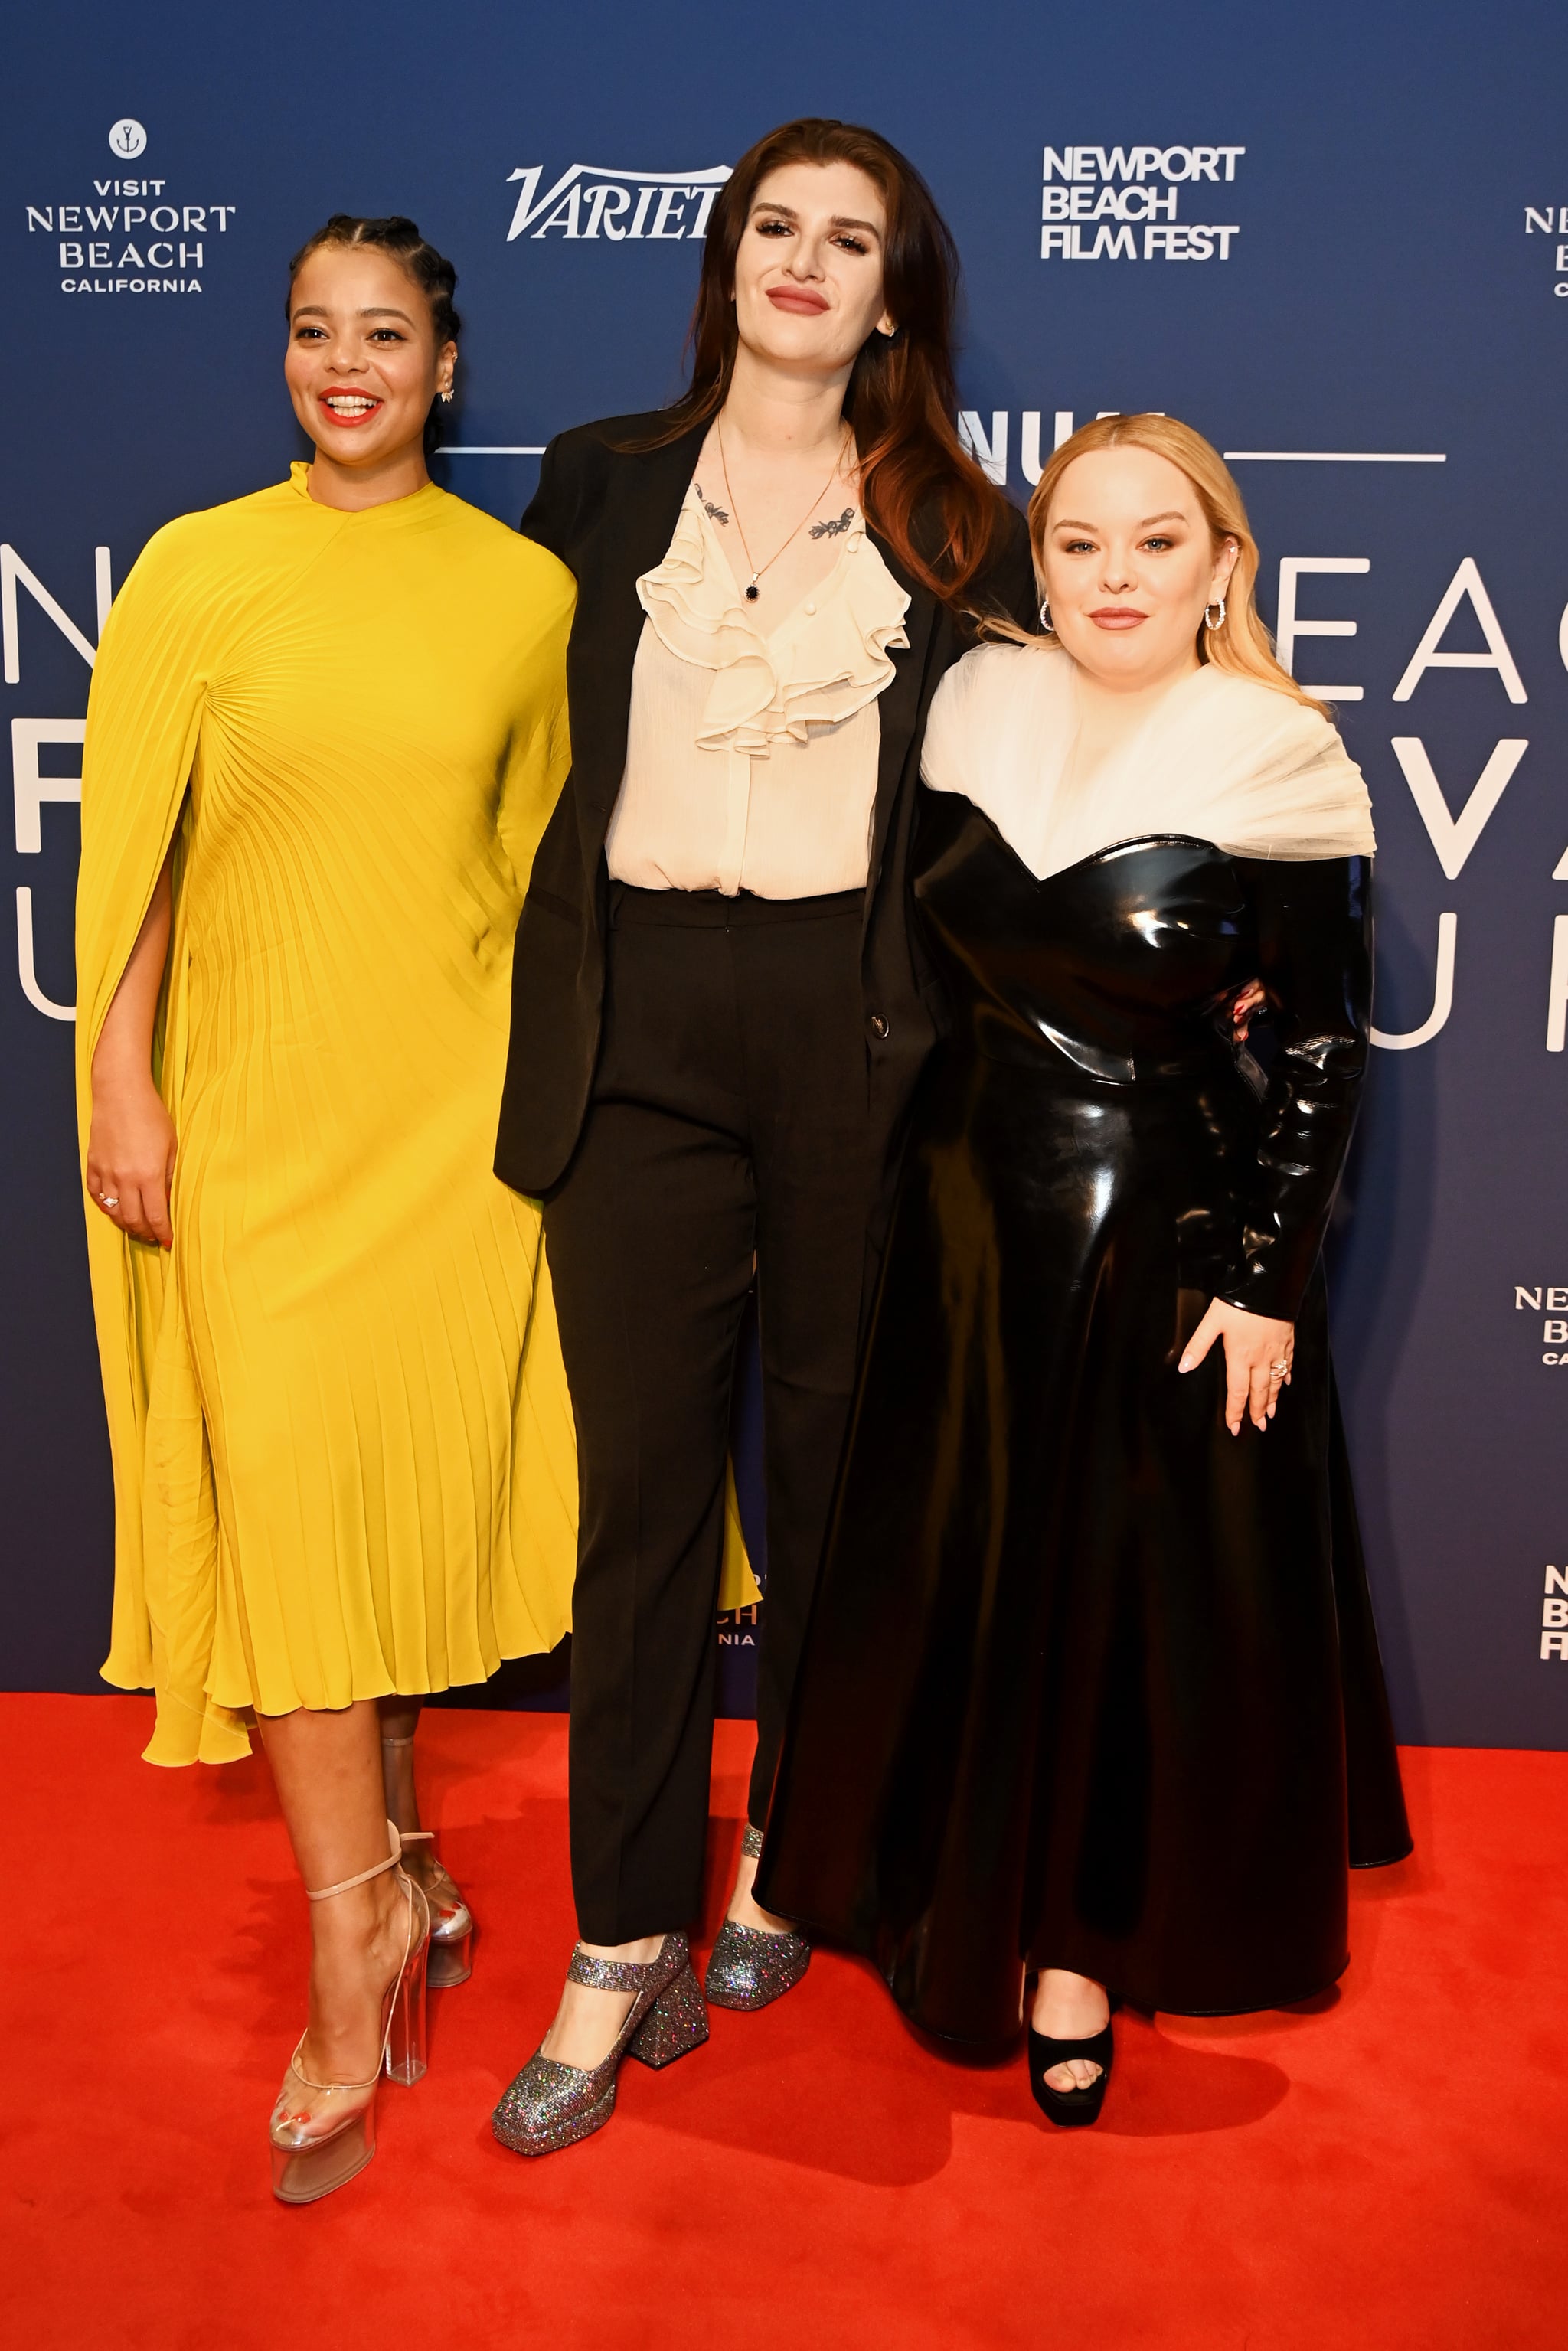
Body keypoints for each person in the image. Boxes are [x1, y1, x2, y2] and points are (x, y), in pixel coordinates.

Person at [756, 413, 1412, 2127]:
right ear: (1035, 564)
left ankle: (1073, 1952)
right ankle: (911, 1886)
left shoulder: (1278, 759)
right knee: (955, 1572)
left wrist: (1266, 1280)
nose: (1113, 576)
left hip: (1156, 1242)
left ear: (1221, 567)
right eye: (1077, 544)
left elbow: (1329, 1051)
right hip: (963, 1221)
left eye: (1154, 543)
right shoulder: (971, 705)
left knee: (1115, 1610)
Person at [488, 116, 1037, 2157]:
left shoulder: (964, 527)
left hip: (853, 1040)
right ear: (727, 263)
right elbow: (498, 746)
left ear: (895, 294)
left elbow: (1033, 793)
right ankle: (615, 1936)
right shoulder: (604, 478)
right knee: (640, 1515)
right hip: (633, 1031)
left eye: (850, 239)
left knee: (827, 1489)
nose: (806, 262)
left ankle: (791, 1857)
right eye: (774, 228)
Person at [77, 215, 582, 2202]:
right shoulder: (197, 572)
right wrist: (124, 1075)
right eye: (313, 332)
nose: (346, 364)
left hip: (450, 1137)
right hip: (254, 1129)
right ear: (284, 358)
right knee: (287, 1508)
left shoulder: (525, 594)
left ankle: (400, 1878)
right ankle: (350, 1928)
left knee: (374, 1510)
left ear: (446, 364)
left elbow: (542, 879)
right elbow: (133, 860)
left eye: (385, 334)